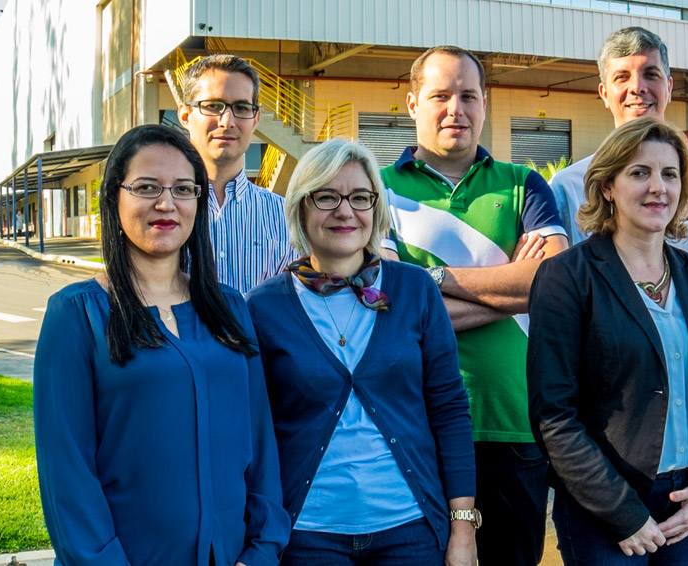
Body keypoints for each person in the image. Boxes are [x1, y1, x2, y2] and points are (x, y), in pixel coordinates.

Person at [34, 124, 289, 566]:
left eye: (184, 189)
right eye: (147, 187)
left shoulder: (230, 308)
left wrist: (261, 553)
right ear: (114, 197)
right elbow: (68, 476)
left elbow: (260, 444)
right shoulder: (76, 314)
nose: (167, 203)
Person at [246, 138, 477, 565]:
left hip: (411, 532)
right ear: (300, 206)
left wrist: (463, 527)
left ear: (376, 207)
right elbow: (255, 434)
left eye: (359, 197)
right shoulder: (264, 307)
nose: (345, 211)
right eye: (326, 196)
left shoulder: (415, 290)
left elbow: (448, 409)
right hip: (306, 536)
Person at [381, 45, 568, 566]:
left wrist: (430, 279)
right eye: (440, 95)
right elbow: (391, 307)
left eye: (468, 95)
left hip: (515, 424)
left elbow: (556, 284)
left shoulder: (523, 183)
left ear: (485, 103)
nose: (455, 109)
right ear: (413, 103)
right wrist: (516, 290)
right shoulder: (378, 188)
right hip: (417, 426)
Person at [528, 116, 688, 565]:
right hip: (603, 512)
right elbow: (554, 414)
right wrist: (622, 512)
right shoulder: (567, 277)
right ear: (608, 186)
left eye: (670, 174)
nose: (658, 188)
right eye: (639, 172)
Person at [549, 26, 688, 293]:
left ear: (669, 87)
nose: (637, 88)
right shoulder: (567, 186)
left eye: (651, 75)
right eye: (622, 77)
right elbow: (555, 286)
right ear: (604, 94)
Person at [179, 54, 297, 294]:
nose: (227, 121)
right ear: (185, 116)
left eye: (241, 108)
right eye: (213, 106)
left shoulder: (286, 217)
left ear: (256, 120)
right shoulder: (164, 209)